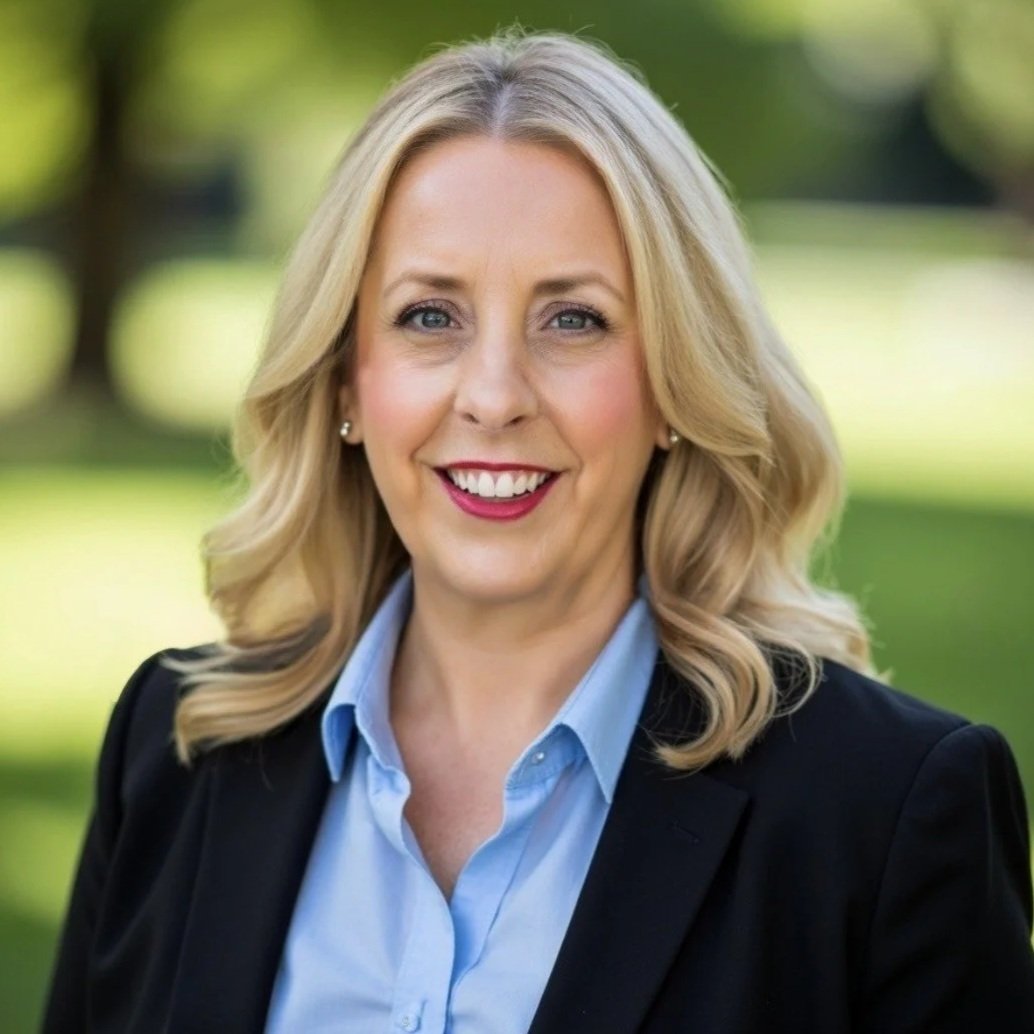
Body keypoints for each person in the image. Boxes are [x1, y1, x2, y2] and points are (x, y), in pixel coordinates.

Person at [42, 26, 1034, 1034]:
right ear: (347, 378)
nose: (493, 395)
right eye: (430, 315)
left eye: (573, 320)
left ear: (673, 387)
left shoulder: (885, 812)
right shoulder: (177, 746)